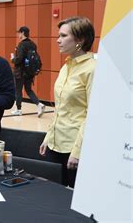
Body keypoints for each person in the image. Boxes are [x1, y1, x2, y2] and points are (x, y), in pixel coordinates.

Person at [39, 17, 96, 188]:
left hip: (74, 148)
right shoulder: (66, 67)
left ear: (80, 40)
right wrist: (48, 137)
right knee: (53, 196)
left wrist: (78, 151)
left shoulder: (92, 69)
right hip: (55, 143)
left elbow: (92, 114)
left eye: (63, 36)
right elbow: (60, 108)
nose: (58, 40)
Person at [10, 26, 45, 117]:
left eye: (19, 33)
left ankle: (18, 109)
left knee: (18, 90)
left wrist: (13, 59)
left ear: (22, 33)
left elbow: (19, 59)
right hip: (30, 72)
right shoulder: (33, 44)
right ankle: (39, 104)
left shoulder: (22, 44)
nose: (18, 34)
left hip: (20, 72)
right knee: (28, 89)